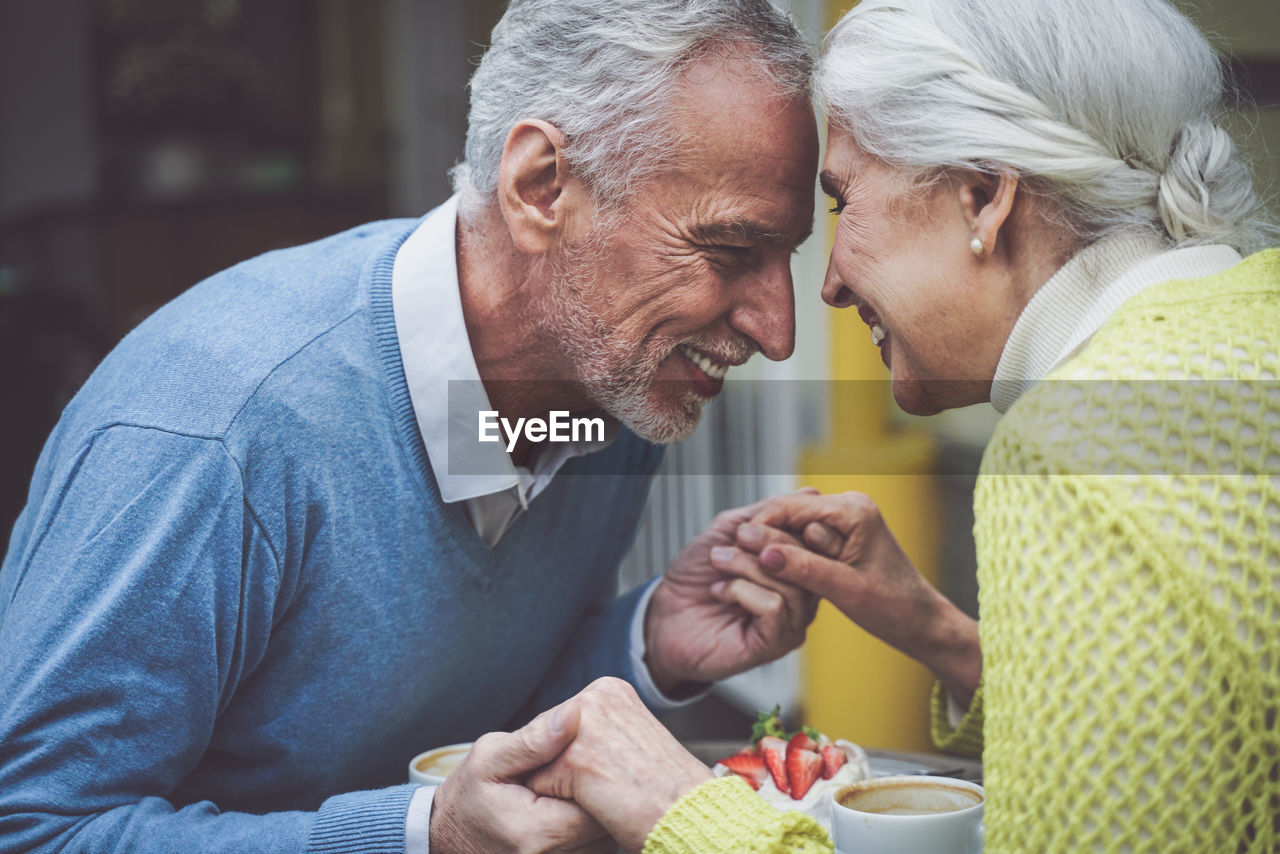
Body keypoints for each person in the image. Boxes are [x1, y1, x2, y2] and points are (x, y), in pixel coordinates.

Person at [0, 1, 823, 852]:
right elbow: (33, 829)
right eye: (730, 252)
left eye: (787, 257)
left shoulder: (609, 382)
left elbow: (471, 726)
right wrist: (417, 837)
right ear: (543, 187)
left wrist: (647, 645)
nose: (778, 329)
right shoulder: (216, 432)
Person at [510, 0, 1280, 851]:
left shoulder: (1074, 447)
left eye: (841, 204)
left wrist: (684, 816)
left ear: (984, 198)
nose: (825, 289)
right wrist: (938, 634)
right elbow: (1191, 749)